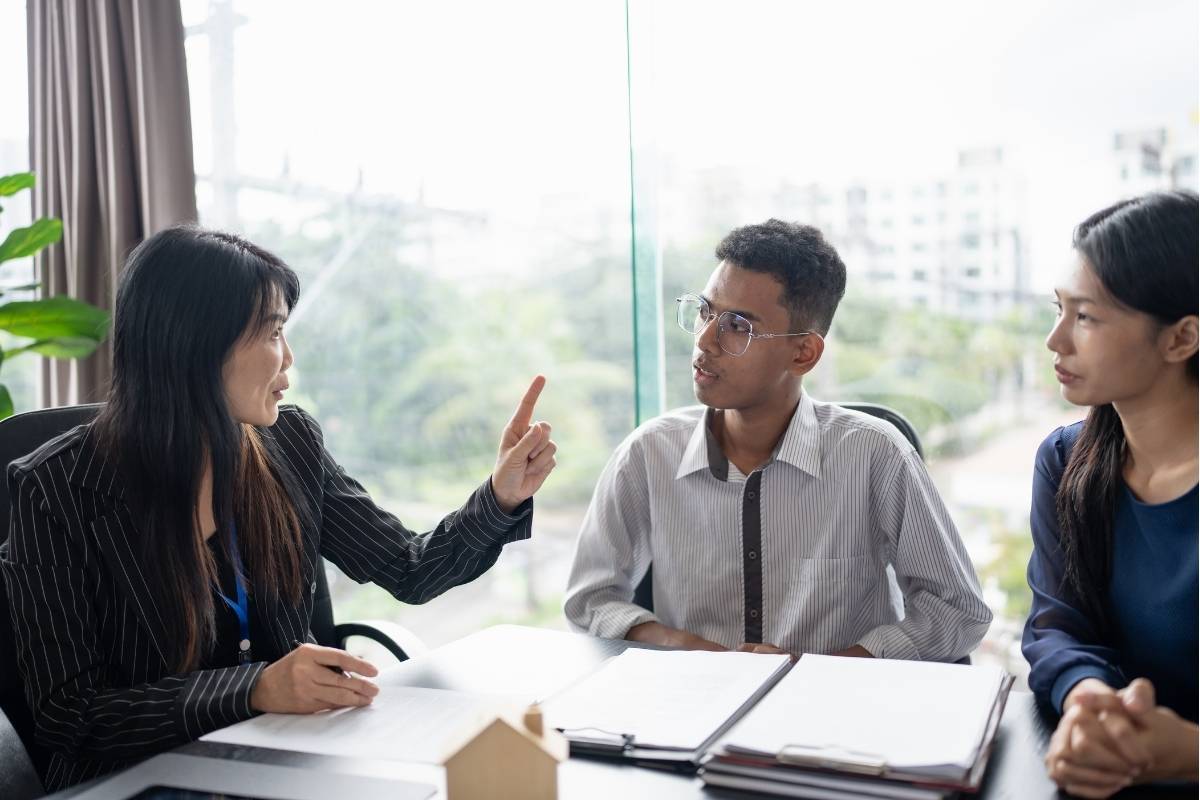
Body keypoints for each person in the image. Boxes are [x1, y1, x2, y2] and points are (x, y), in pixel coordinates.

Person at [0, 227, 557, 791]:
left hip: (287, 760)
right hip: (138, 780)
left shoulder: (290, 443)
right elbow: (69, 714)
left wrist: (501, 494)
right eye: (273, 332)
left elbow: (411, 569)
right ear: (196, 344)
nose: (288, 358)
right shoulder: (56, 488)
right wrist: (253, 688)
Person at [563, 219, 991, 660]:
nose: (705, 340)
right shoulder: (648, 453)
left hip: (834, 712)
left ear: (803, 352)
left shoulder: (874, 454)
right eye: (705, 311)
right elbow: (589, 599)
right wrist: (682, 644)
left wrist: (825, 669)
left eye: (736, 326)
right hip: (693, 707)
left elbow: (957, 612)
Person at [1023, 190, 1198, 798]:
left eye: (1086, 317)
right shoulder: (1067, 460)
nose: (1056, 341)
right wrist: (1087, 698)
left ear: (1181, 339)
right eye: (1058, 309)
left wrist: (1191, 754)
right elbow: (1056, 627)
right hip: (1107, 771)